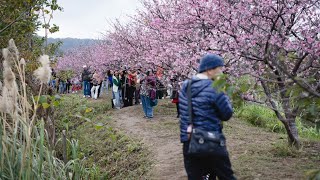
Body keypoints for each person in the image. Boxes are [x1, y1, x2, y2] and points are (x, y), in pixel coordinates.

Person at [179, 54, 236, 180]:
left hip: (189, 141)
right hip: (211, 139)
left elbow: (183, 111)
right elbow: (226, 114)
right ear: (210, 70)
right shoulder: (215, 87)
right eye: (220, 69)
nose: (222, 72)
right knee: (226, 176)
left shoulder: (186, 86)